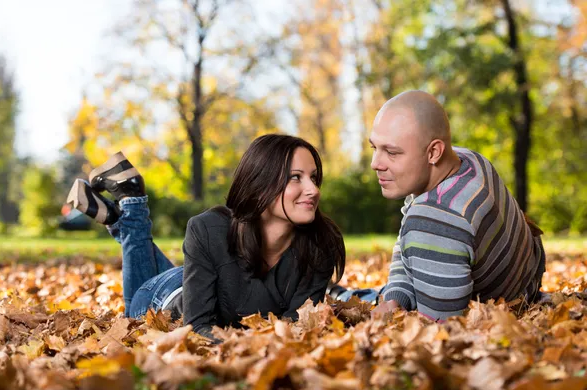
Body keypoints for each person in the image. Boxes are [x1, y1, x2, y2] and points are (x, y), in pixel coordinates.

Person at [66, 134, 345, 340]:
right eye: (296, 177)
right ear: (261, 185)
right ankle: (132, 203)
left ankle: (123, 215)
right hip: (166, 297)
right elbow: (196, 326)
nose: (313, 189)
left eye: (314, 177)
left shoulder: (321, 244)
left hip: (202, 275)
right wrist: (250, 345)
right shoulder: (209, 229)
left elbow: (296, 327)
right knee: (133, 317)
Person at [331, 90, 545, 322]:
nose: (375, 164)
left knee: (349, 301)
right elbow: (408, 245)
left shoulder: (437, 216)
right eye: (375, 148)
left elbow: (439, 330)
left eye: (391, 152)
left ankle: (333, 291)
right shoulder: (470, 160)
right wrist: (395, 298)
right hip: (526, 280)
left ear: (434, 151)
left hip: (500, 310)